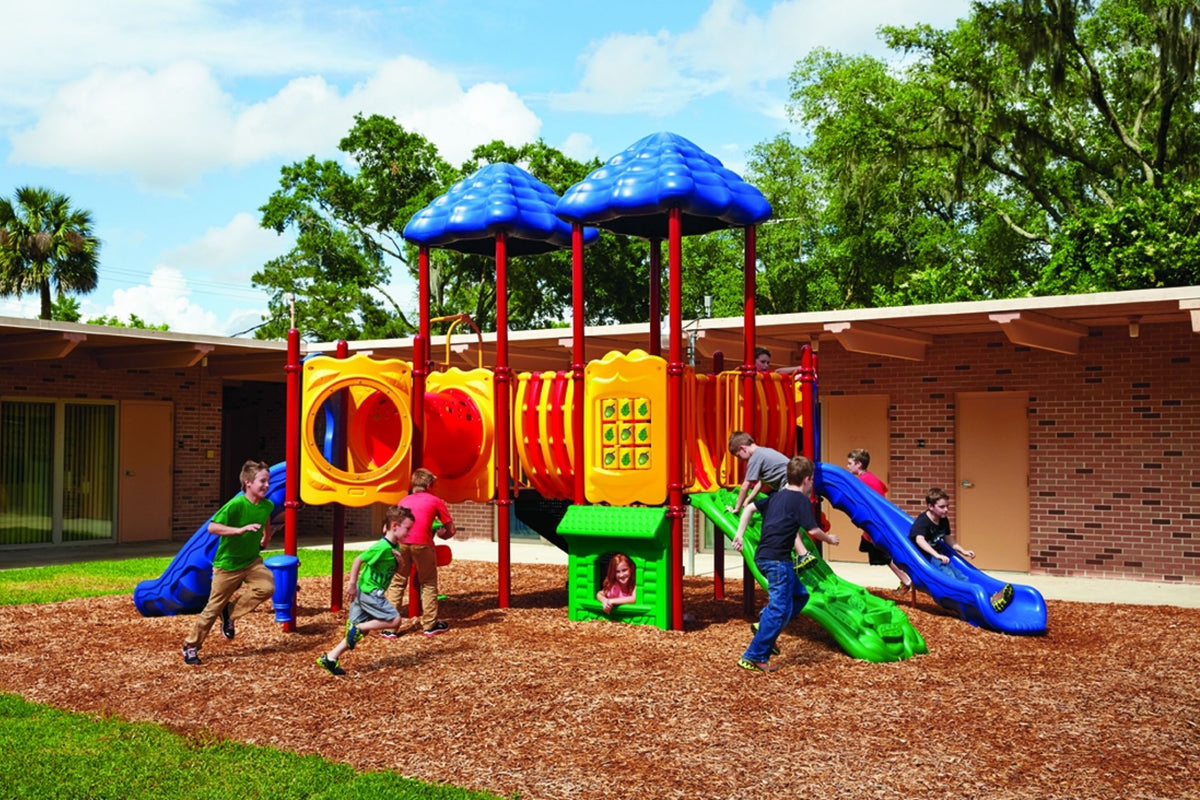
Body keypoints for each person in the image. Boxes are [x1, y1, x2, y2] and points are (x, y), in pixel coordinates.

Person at [731, 455, 840, 672]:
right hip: (776, 561)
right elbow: (813, 530)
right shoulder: (800, 500)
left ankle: (765, 624)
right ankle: (753, 655)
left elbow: (750, 508)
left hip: (767, 557)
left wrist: (740, 534)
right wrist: (830, 539)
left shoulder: (777, 496)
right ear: (808, 480)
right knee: (779, 609)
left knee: (800, 596)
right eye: (812, 481)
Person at [181, 460, 278, 666]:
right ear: (248, 483)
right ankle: (191, 646)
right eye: (262, 481)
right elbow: (213, 528)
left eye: (267, 481)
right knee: (212, 608)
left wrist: (266, 537)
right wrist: (239, 530)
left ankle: (230, 613)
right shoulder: (235, 505)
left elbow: (266, 518)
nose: (266, 485)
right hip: (227, 565)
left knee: (266, 587)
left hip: (251, 561)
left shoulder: (266, 505)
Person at [316, 504, 415, 675]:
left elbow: (394, 572)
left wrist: (401, 564)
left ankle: (330, 658)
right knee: (394, 621)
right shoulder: (382, 547)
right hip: (370, 591)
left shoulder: (394, 547)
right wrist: (351, 584)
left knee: (355, 634)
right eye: (407, 528)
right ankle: (360, 627)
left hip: (366, 592)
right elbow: (357, 560)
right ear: (394, 526)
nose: (409, 533)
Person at [909, 487, 1013, 612]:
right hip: (925, 557)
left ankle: (989, 599)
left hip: (940, 556)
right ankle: (980, 602)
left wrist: (963, 551)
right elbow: (919, 539)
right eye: (942, 507)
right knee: (950, 577)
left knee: (961, 576)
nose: (946, 510)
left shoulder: (943, 520)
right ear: (931, 506)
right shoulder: (923, 521)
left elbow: (948, 538)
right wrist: (936, 555)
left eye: (947, 506)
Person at [382, 467, 457, 637]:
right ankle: (430, 625)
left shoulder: (403, 501)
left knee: (398, 581)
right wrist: (442, 535)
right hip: (423, 545)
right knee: (428, 582)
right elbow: (450, 529)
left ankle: (390, 628)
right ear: (430, 485)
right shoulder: (436, 501)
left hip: (400, 543)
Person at [847, 448, 912, 596]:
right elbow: (884, 487)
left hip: (875, 523)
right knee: (874, 548)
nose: (848, 466)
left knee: (884, 554)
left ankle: (906, 580)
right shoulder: (870, 477)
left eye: (850, 463)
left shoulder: (862, 481)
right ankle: (905, 578)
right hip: (874, 524)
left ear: (859, 464)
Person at [726, 431, 789, 515]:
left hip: (789, 484)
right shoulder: (765, 451)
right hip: (800, 482)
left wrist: (737, 508)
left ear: (743, 448)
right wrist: (748, 500)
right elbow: (761, 483)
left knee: (774, 513)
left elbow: (745, 486)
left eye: (738, 456)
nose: (740, 460)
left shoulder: (755, 458)